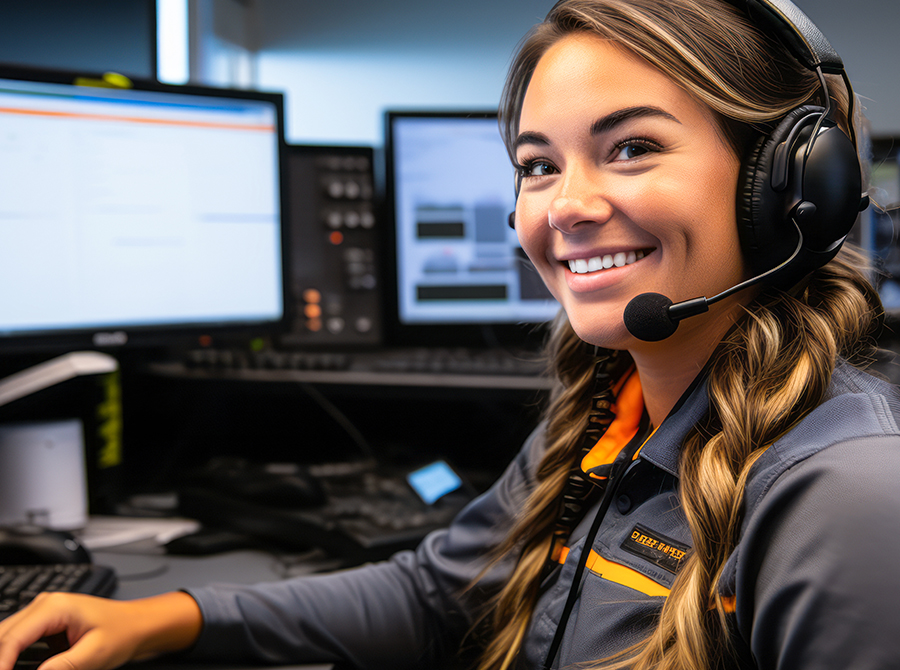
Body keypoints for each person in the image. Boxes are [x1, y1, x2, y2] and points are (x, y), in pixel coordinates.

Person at [2, 0, 899, 668]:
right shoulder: (610, 408)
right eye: (538, 165)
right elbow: (440, 595)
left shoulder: (843, 494)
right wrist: (170, 619)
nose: (567, 207)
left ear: (790, 185)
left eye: (631, 148)